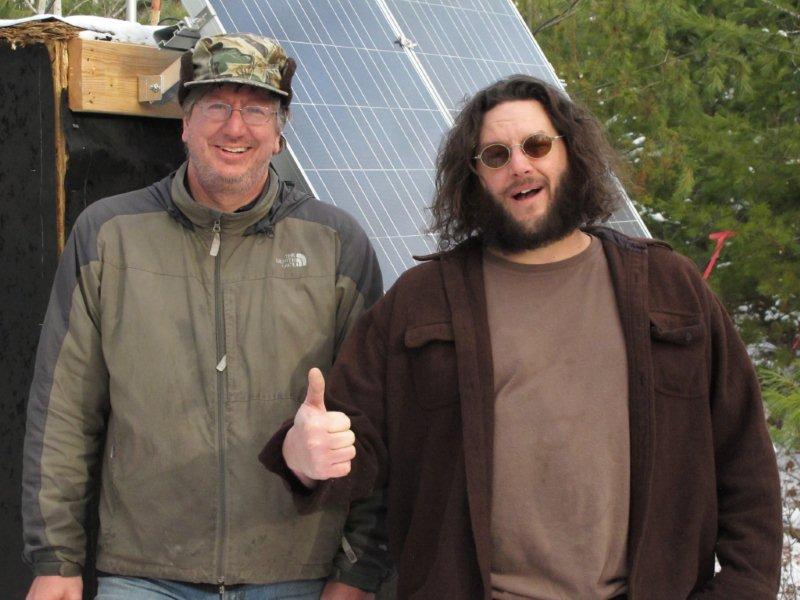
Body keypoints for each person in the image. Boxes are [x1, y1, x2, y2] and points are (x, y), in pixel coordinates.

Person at [263, 75, 783, 599]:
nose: (519, 165)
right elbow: (351, 439)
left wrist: (742, 589)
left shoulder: (669, 287)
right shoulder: (423, 300)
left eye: (536, 145)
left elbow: (744, 461)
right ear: (473, 177)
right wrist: (304, 457)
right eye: (495, 154)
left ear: (570, 152)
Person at [22, 33, 391, 600]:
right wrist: (57, 559)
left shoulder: (336, 244)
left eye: (256, 109)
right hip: (143, 574)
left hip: (295, 572)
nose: (235, 128)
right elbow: (65, 411)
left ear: (279, 130)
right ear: (185, 124)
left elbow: (374, 418)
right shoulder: (109, 236)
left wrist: (357, 571)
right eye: (216, 105)